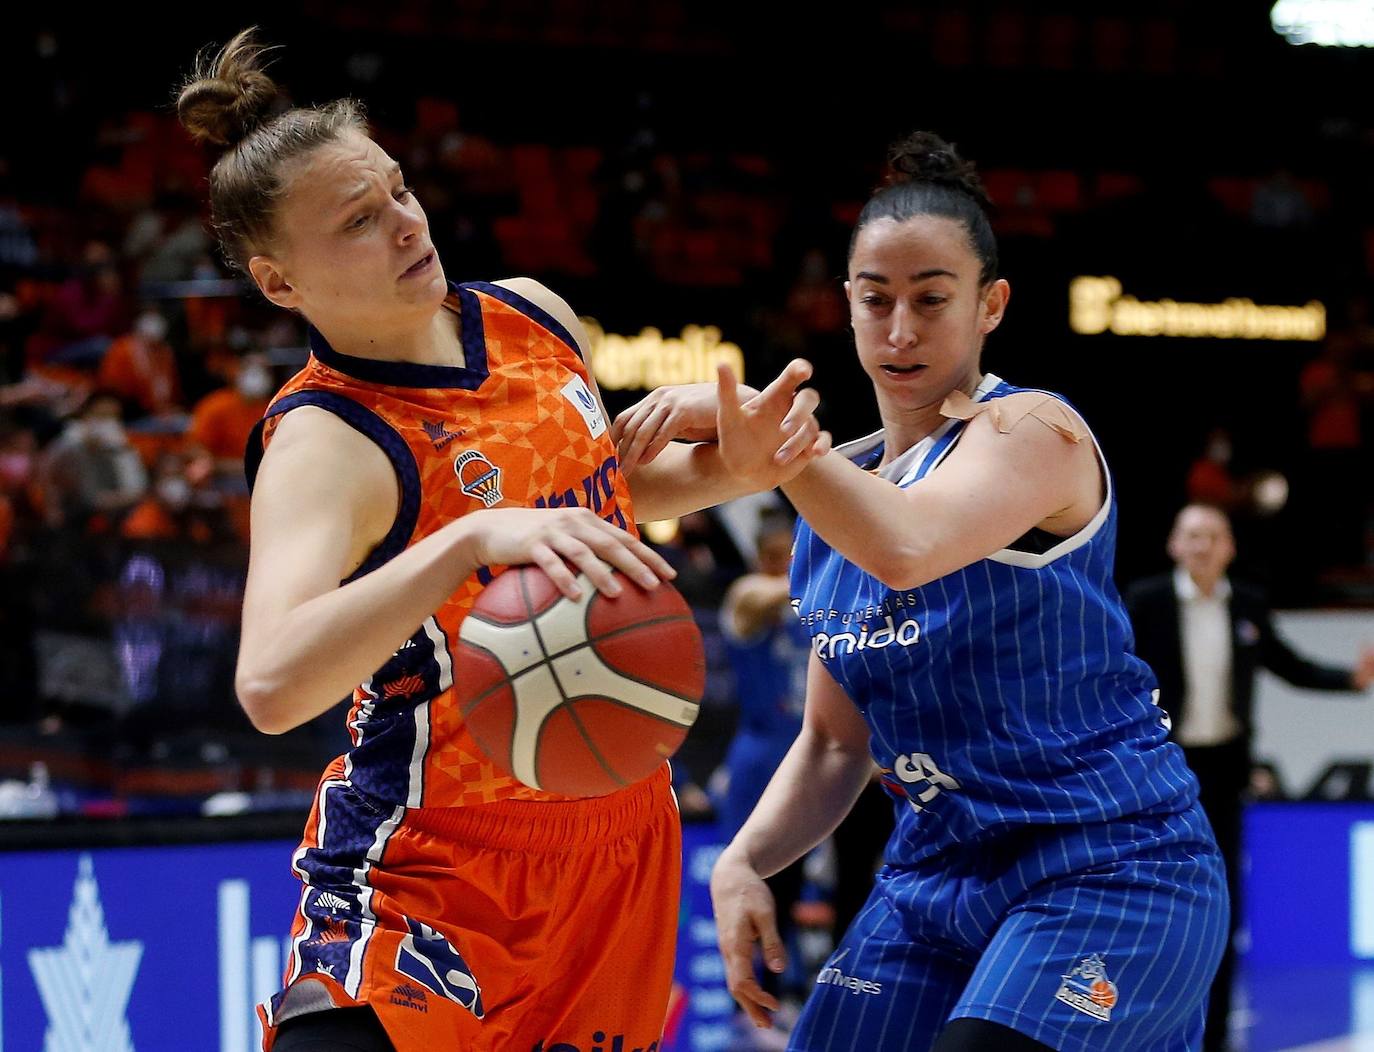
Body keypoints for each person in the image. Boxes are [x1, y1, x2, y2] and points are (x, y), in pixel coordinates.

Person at [175, 28, 829, 1052]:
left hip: (621, 837)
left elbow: (585, 498)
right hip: (434, 857)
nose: (403, 223)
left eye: (396, 189)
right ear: (279, 282)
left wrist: (735, 470)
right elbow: (270, 682)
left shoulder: (535, 316)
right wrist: (460, 542)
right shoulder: (325, 440)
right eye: (358, 219)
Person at [694, 132, 1229, 1051]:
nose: (900, 331)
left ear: (991, 305)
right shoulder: (835, 497)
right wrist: (744, 860)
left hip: (1109, 862)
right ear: (848, 308)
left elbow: (911, 543)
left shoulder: (1033, 426)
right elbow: (832, 743)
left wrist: (771, 447)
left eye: (931, 301)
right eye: (876, 301)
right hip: (934, 875)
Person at [1124, 502, 1374, 1052]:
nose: (1202, 546)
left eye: (1213, 535)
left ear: (1230, 547)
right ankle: (1145, 1026)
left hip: (1222, 769)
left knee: (1223, 898)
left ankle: (1213, 1038)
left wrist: (1351, 680)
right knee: (1155, 896)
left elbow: (1290, 665)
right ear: (1173, 545)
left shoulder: (1249, 605)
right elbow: (1114, 673)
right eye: (1191, 535)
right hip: (1159, 769)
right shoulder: (1146, 603)